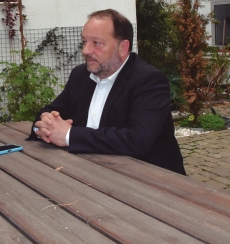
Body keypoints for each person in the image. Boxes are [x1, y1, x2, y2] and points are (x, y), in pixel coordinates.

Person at [29, 9, 186, 175]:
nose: (85, 50)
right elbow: (50, 112)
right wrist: (45, 125)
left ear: (122, 48)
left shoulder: (149, 80)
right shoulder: (80, 75)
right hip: (92, 173)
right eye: (84, 42)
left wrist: (69, 135)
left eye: (96, 43)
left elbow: (137, 140)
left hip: (151, 182)